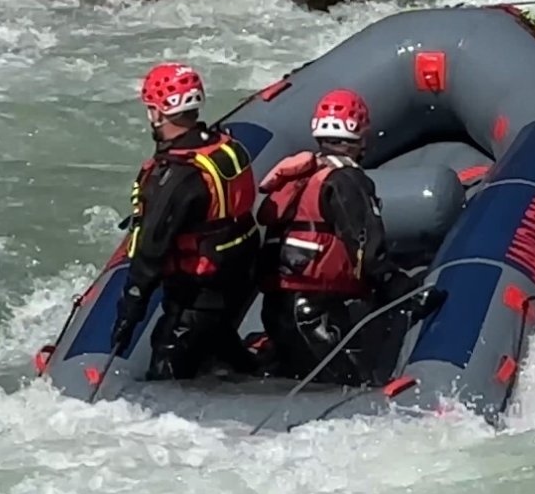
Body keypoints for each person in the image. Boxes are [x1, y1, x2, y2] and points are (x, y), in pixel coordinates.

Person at [254, 88, 442, 386]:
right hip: (314, 314)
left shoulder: (306, 173)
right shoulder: (346, 180)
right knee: (346, 387)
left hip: (278, 308)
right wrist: (406, 293)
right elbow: (368, 249)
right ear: (360, 136)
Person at [110, 62, 261, 381]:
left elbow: (152, 249)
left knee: (168, 362)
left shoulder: (178, 176)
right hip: (238, 275)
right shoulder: (223, 146)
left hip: (198, 291)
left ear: (158, 112)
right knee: (218, 338)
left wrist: (130, 309)